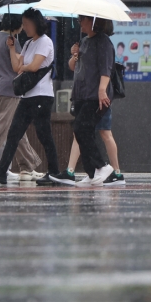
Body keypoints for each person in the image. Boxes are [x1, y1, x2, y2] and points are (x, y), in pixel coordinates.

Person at [0, 8, 60, 185]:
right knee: (14, 132)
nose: (24, 27)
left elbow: (33, 66)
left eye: (27, 24)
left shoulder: (45, 42)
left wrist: (23, 65)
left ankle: (54, 171)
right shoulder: (28, 44)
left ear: (36, 23)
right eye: (23, 24)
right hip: (28, 96)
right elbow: (16, 67)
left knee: (44, 134)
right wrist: (12, 49)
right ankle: (2, 170)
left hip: (42, 95)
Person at [0, 14, 43, 181]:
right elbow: (17, 67)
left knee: (14, 128)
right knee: (0, 129)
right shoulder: (13, 41)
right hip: (9, 91)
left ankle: (27, 166)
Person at [50, 16, 115, 185]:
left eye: (83, 20)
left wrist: (102, 90)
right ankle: (92, 172)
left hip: (95, 95)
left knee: (82, 128)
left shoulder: (103, 42)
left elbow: (106, 68)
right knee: (81, 131)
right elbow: (73, 66)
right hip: (81, 94)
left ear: (93, 21)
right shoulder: (84, 41)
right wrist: (74, 55)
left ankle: (102, 166)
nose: (79, 23)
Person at [50, 109, 125, 185]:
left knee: (104, 132)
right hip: (87, 101)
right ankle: (71, 171)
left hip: (97, 102)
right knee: (80, 132)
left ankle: (117, 173)